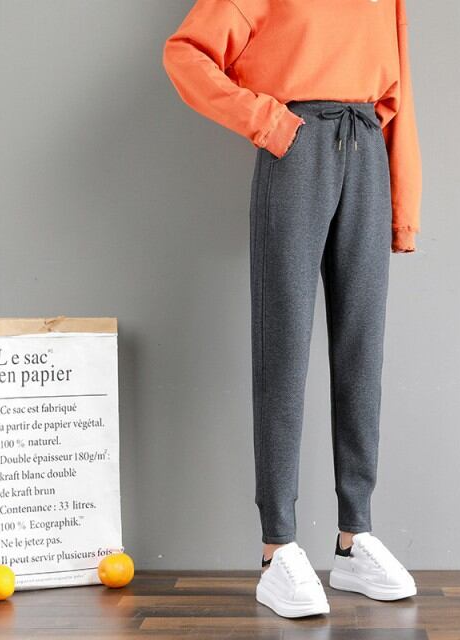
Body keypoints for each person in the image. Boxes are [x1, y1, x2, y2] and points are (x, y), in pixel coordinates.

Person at [163, 0, 422, 618]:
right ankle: (277, 547)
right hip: (297, 148)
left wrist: (402, 206)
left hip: (368, 148)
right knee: (282, 349)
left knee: (362, 351)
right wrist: (268, 122)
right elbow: (185, 53)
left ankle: (354, 538)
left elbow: (400, 92)